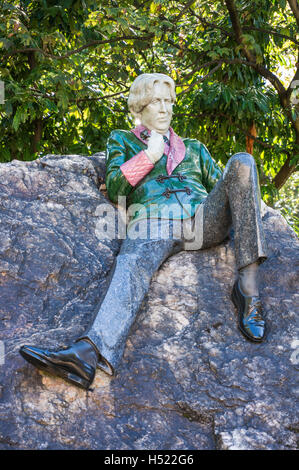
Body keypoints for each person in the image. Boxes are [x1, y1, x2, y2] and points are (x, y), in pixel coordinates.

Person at [19, 73, 268, 390]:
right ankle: (87, 354)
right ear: (139, 107)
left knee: (243, 162)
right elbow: (117, 187)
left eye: (168, 101)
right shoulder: (121, 140)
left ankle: (248, 289)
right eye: (155, 102)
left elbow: (234, 193)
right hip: (153, 220)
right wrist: (150, 154)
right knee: (132, 262)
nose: (164, 109)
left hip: (203, 221)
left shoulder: (194, 148)